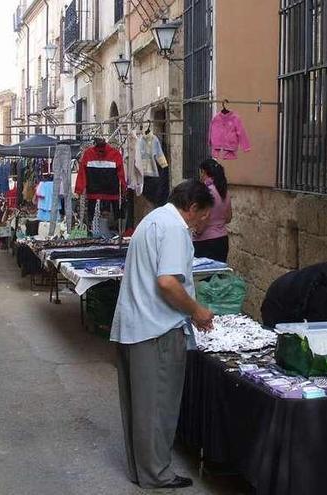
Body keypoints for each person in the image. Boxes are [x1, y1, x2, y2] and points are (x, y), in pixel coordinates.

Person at [111, 180, 216, 490]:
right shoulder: (174, 228)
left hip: (135, 326)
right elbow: (168, 282)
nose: (203, 223)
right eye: (203, 216)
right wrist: (196, 310)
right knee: (157, 406)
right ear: (193, 207)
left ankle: (142, 470)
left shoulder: (153, 219)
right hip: (156, 329)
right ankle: (157, 474)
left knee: (140, 408)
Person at [192, 159, 232, 262]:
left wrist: (198, 231)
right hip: (222, 239)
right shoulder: (224, 191)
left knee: (204, 275)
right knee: (218, 275)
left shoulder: (205, 191)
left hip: (205, 240)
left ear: (204, 172)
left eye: (201, 172)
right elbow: (228, 218)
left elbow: (205, 215)